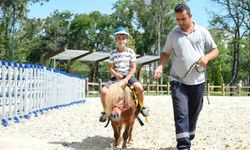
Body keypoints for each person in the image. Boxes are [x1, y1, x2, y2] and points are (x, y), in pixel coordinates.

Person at [153, 3, 219, 150]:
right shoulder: (173, 34)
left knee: (194, 113)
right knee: (181, 113)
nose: (180, 22)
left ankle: (188, 136)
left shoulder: (202, 31)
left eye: (183, 19)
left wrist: (206, 58)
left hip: (198, 82)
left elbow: (215, 50)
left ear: (190, 16)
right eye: (177, 19)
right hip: (178, 81)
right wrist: (160, 66)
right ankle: (184, 146)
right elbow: (165, 54)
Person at [99, 26, 149, 122]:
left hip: (128, 76)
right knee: (104, 92)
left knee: (139, 87)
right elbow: (110, 68)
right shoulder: (112, 53)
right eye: (118, 38)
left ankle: (142, 106)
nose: (120, 40)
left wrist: (126, 79)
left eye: (123, 38)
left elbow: (134, 68)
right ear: (115, 40)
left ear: (127, 40)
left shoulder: (131, 52)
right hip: (116, 77)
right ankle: (105, 111)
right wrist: (116, 75)